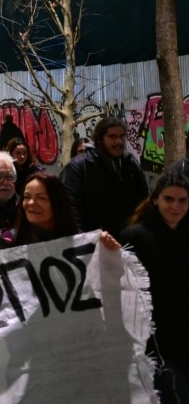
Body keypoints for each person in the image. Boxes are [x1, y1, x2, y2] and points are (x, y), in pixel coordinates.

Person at [121, 165, 189, 402]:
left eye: (182, 200)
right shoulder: (135, 236)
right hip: (155, 340)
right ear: (155, 200)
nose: (175, 206)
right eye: (169, 199)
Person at [62, 118, 148, 236]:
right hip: (95, 241)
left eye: (122, 136)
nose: (119, 142)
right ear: (99, 139)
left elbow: (143, 202)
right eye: (112, 137)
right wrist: (87, 240)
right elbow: (71, 210)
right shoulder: (80, 167)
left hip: (127, 239)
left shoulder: (130, 163)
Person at [0, 172, 121, 251]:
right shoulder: (8, 242)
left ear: (58, 203)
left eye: (41, 198)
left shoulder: (80, 240)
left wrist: (108, 248)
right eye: (27, 197)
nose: (31, 203)